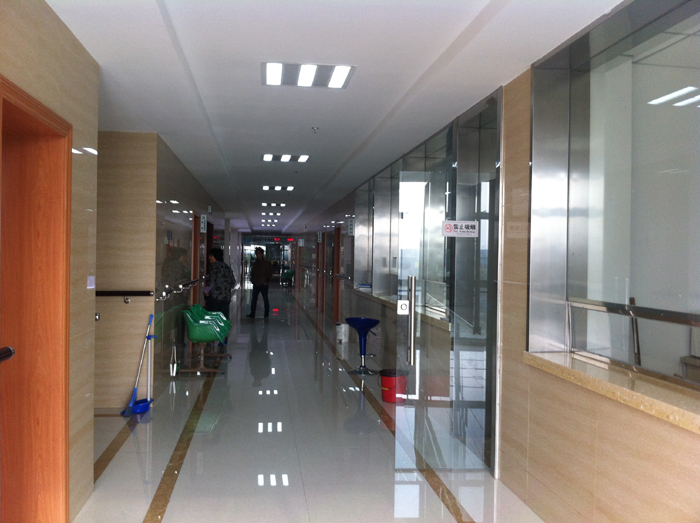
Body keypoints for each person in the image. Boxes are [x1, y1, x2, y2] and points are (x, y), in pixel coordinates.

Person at [204, 248, 235, 336]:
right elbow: (233, 282)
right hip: (226, 297)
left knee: (212, 317)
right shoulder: (226, 267)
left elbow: (212, 282)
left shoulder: (214, 266)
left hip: (215, 297)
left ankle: (212, 337)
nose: (209, 257)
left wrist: (206, 291)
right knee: (224, 318)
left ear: (215, 256)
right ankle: (224, 339)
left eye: (211, 256)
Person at [247, 247, 272, 318]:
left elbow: (269, 273)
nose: (258, 255)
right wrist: (252, 280)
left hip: (264, 284)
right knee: (254, 299)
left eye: (259, 253)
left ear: (262, 254)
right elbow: (252, 273)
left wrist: (266, 281)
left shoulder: (267, 263)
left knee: (265, 299)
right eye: (257, 253)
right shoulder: (255, 263)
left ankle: (266, 313)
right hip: (256, 283)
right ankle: (252, 313)